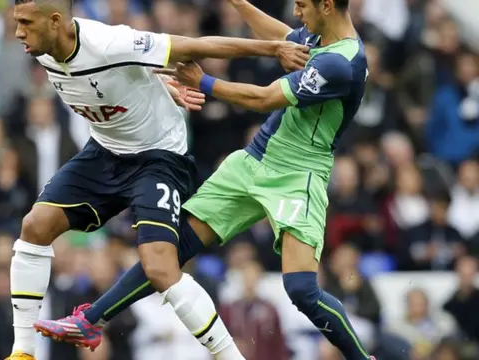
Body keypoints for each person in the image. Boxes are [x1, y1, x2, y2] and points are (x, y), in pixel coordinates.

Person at [43, 0, 378, 359]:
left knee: (301, 290)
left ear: (326, 5)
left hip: (299, 175)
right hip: (254, 159)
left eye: (301, 5)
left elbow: (264, 98)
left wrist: (202, 81)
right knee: (173, 249)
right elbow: (280, 38)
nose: (296, 13)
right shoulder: (319, 38)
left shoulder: (341, 63)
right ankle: (91, 319)